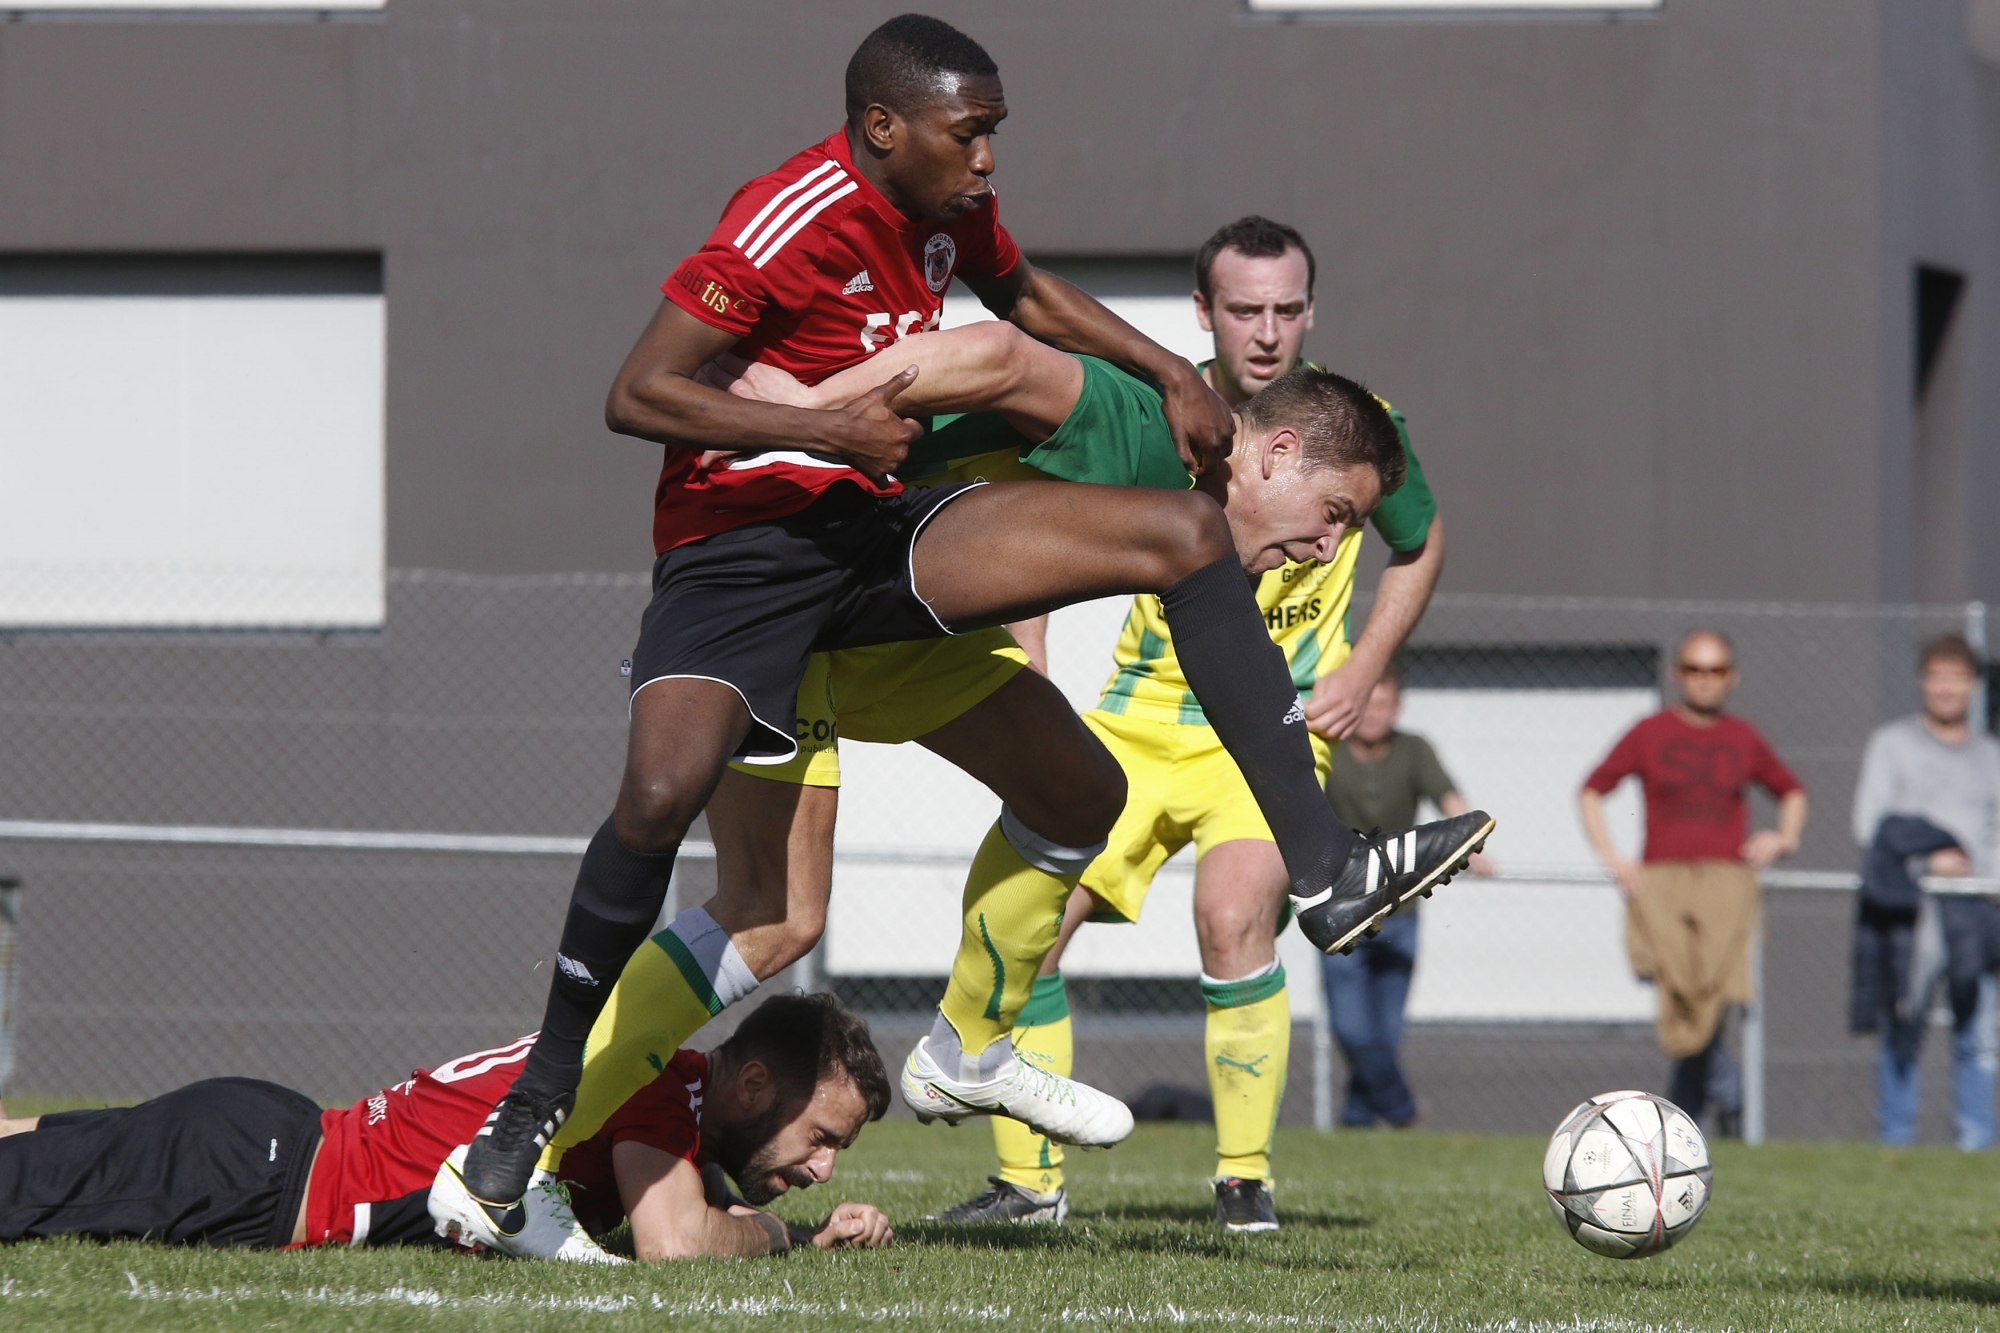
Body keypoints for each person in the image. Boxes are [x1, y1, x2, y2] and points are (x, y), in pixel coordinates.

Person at [454, 14, 1491, 1227]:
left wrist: (1168, 366)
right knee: (697, 839)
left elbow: (1021, 291)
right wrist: (828, 420)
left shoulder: (954, 215)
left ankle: (1310, 879)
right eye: (972, 133)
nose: (989, 158)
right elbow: (647, 392)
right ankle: (531, 1113)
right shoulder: (793, 216)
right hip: (744, 550)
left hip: (874, 538)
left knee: (1101, 734)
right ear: (885, 128)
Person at [920, 218, 1485, 1234]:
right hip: (1136, 724)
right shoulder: (1164, 410)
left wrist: (1364, 662)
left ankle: (1242, 1184)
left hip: (1267, 731)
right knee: (1032, 926)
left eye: (1284, 308)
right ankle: (1027, 1187)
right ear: (1203, 314)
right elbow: (1037, 507)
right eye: (1242, 308)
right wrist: (1030, 655)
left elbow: (1423, 535)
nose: (1265, 330)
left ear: (1310, 312)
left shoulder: (1353, 430)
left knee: (1230, 914)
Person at [0, 993, 893, 1261]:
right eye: (821, 1135)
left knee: (38, 1142)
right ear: (754, 1083)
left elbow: (696, 1195)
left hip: (264, 1138)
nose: (820, 1165)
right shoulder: (659, 1089)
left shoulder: (671, 1080)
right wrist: (785, 1234)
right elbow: (674, 1241)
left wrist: (806, 1225)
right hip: (260, 1176)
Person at [1579, 629, 1808, 1135]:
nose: (1705, 681)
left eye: (1717, 670)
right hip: (1661, 881)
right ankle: (1723, 1098)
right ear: (1677, 674)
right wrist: (1611, 857)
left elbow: (1791, 791)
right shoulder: (1649, 732)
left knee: (1715, 994)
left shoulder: (1743, 737)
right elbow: (1593, 790)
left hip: (1726, 880)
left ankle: (1684, 1124)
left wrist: (1782, 839)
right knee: (1678, 994)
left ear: (1732, 677)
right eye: (1695, 670)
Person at [1321, 663, 1493, 1132]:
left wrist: (1472, 843)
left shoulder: (1414, 750)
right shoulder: (1328, 750)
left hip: (1402, 913)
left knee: (1386, 1032)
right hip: (1344, 913)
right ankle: (1402, 1113)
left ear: (1398, 707)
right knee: (1353, 1028)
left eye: (1384, 704)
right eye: (1367, 703)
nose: (1374, 714)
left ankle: (1356, 1120)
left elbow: (1448, 798)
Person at [1851, 633, 2000, 1149]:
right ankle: (1896, 1144)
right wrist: (1926, 856)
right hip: (1911, 912)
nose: (1946, 687)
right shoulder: (1893, 744)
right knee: (1904, 1026)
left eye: (1957, 677)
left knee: (1979, 1035)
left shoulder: (1990, 755)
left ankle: (1976, 1144)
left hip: (1978, 912)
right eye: (1937, 676)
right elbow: (1869, 823)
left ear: (1974, 685)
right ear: (1923, 681)